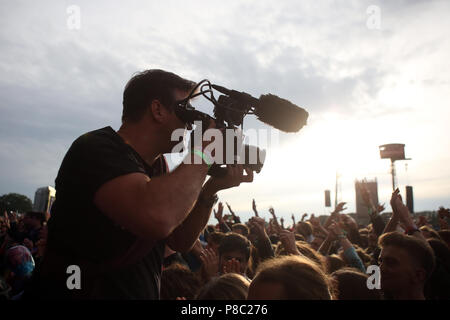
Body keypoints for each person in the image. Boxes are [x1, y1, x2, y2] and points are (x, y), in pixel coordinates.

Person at [27, 69, 253, 299]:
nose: (190, 126)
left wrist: (211, 188)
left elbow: (180, 240)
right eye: (186, 112)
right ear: (157, 110)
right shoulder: (95, 149)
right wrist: (204, 152)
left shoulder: (160, 168)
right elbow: (157, 217)